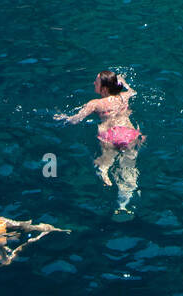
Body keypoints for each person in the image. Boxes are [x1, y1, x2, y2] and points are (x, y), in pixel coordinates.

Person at [55, 72, 144, 212]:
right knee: (128, 167)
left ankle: (105, 174)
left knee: (103, 163)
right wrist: (123, 82)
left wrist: (63, 118)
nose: (93, 84)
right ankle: (124, 202)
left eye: (96, 83)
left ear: (104, 89)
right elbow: (133, 91)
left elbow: (76, 119)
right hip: (129, 135)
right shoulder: (124, 96)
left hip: (111, 135)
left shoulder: (95, 103)